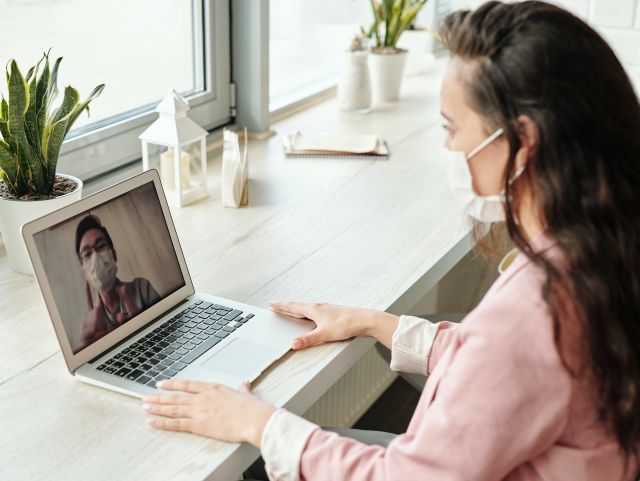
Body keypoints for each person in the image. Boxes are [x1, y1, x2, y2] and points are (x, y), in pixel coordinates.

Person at [140, 2, 640, 480]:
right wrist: (376, 323)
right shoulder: (602, 250)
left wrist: (256, 422)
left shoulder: (538, 310)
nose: (446, 147)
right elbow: (505, 376)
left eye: (452, 128)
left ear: (522, 143)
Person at [76, 215, 160, 348]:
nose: (96, 256)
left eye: (101, 246)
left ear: (114, 255)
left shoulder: (142, 288)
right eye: (87, 254)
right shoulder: (91, 324)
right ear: (84, 271)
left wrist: (140, 326)